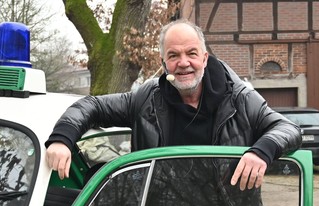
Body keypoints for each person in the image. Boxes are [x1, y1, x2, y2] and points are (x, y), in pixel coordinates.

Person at [45, 19, 301, 191]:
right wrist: (61, 139)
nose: (183, 62)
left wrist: (261, 151)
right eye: (173, 56)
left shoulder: (241, 98)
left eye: (191, 53)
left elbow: (288, 129)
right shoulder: (145, 99)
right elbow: (90, 106)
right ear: (163, 62)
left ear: (204, 57)